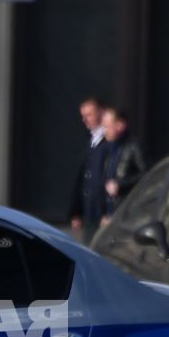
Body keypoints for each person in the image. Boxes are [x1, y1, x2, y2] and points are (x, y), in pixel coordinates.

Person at [101, 108, 149, 226]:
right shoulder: (109, 149)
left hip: (128, 215)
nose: (104, 131)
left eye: (107, 126)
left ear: (120, 125)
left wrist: (120, 184)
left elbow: (148, 174)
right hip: (111, 216)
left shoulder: (134, 147)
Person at [68, 96, 107, 236]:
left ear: (101, 112)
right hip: (89, 212)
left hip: (102, 215)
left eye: (89, 115)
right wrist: (76, 211)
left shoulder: (109, 142)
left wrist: (107, 211)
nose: (85, 119)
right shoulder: (90, 141)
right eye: (83, 116)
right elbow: (82, 178)